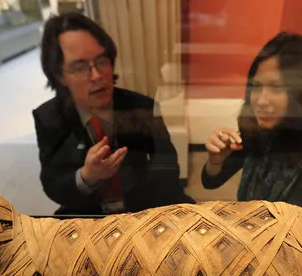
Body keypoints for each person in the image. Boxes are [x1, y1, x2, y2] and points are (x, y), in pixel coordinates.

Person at [33, 12, 193, 215]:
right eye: (80, 67)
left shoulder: (141, 106)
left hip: (143, 210)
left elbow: (168, 167)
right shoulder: (49, 118)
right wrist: (86, 176)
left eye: (101, 61)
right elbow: (53, 184)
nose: (97, 76)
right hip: (88, 214)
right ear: (59, 76)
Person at [201, 32, 302, 207]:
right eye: (257, 86)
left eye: (275, 87)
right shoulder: (264, 128)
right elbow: (211, 181)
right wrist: (215, 160)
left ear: (301, 92)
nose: (260, 101)